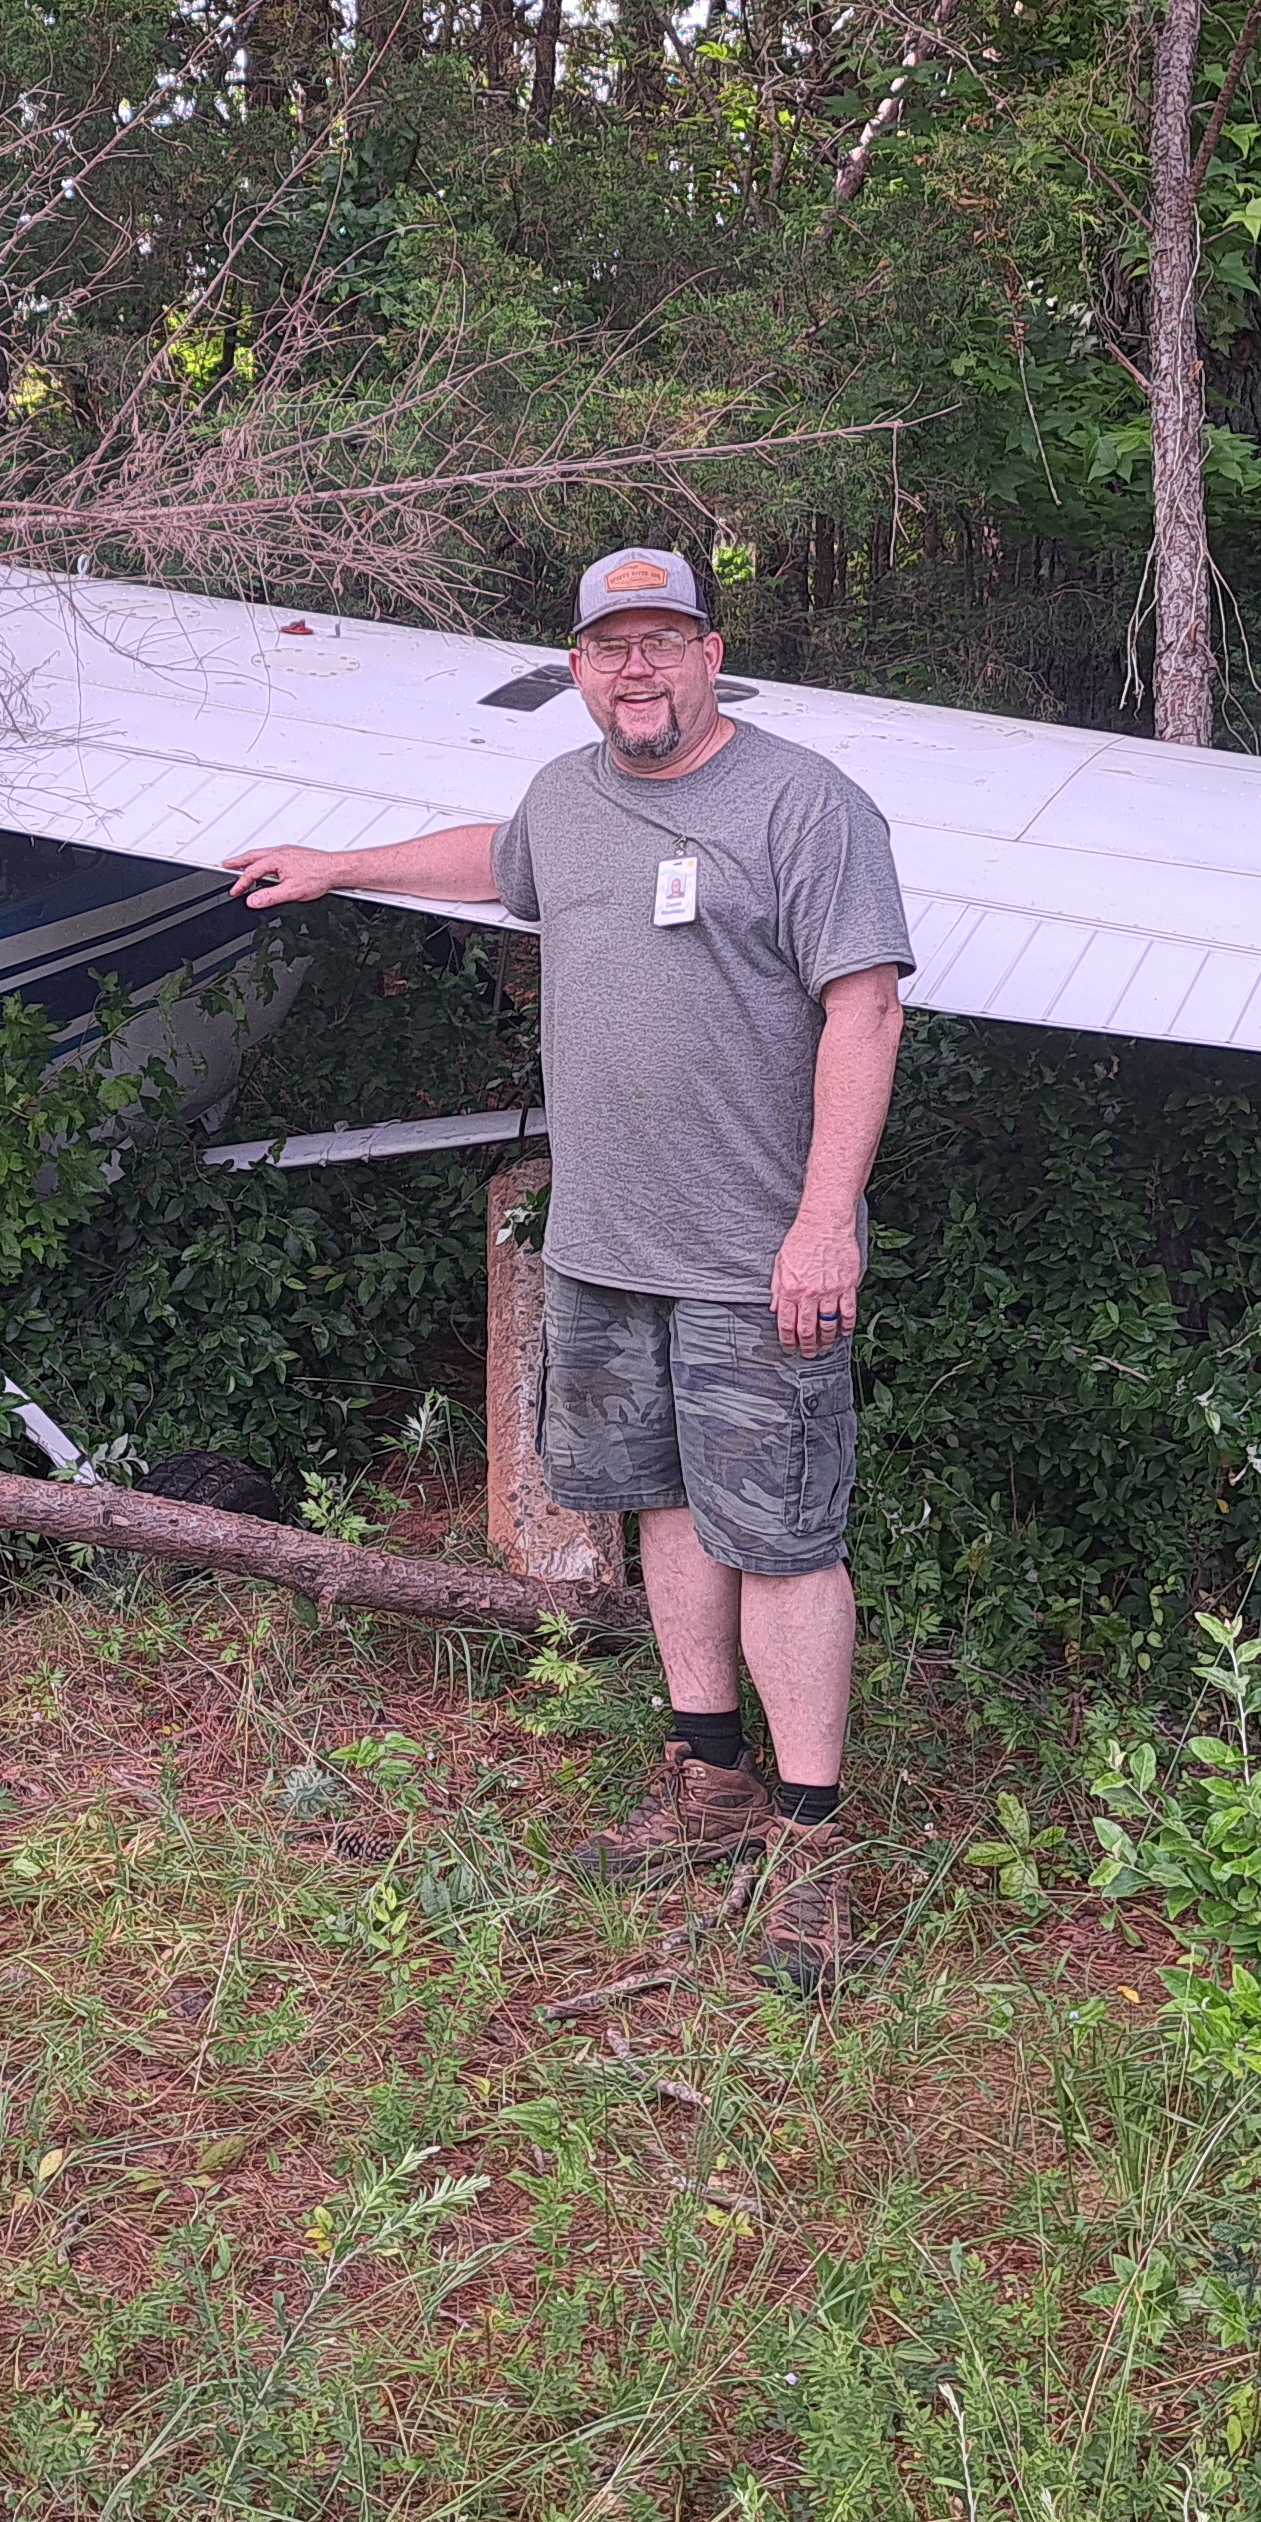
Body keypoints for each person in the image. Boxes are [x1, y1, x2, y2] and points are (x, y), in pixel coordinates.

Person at [223, 546, 911, 1993]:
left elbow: (864, 1012)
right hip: (607, 1250)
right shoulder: (568, 798)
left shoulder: (804, 806)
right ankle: (708, 1779)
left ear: (714, 655)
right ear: (580, 667)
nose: (637, 671)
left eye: (664, 642)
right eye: (612, 649)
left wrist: (825, 1217)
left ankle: (812, 1843)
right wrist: (343, 865)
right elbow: (498, 857)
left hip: (751, 1255)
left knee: (783, 1541)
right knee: (660, 1510)